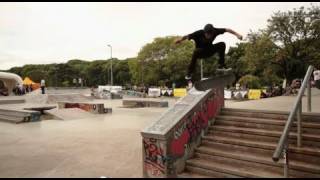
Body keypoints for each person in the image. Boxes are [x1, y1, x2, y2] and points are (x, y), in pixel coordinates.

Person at [175, 23, 243, 80]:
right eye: (207, 34)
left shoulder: (215, 31)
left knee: (222, 44)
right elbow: (187, 36)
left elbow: (227, 30)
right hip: (200, 52)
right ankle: (189, 72)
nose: (209, 36)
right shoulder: (199, 33)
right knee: (195, 51)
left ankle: (221, 65)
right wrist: (180, 40)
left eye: (210, 35)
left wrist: (237, 34)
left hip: (209, 51)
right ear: (204, 32)